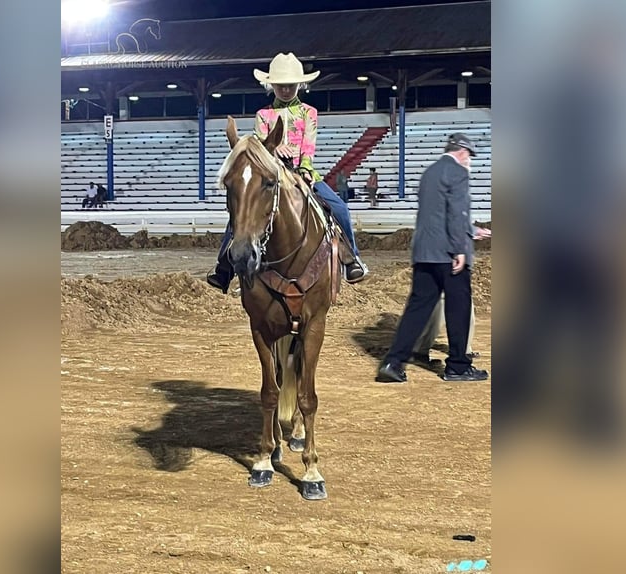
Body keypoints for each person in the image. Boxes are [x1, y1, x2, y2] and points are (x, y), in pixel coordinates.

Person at [207, 53, 368, 293]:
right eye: (280, 85)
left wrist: (304, 168)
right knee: (240, 216)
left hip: (302, 172)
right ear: (271, 85)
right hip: (271, 172)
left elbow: (309, 145)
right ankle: (224, 269)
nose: (285, 90)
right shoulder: (263, 115)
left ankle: (351, 259)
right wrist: (270, 147)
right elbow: (257, 149)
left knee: (339, 208)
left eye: (290, 85)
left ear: (299, 85)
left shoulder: (308, 113)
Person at [376, 133, 489, 383]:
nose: (470, 161)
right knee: (458, 309)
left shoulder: (430, 173)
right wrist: (460, 247)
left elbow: (437, 213)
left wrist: (472, 230)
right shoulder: (458, 173)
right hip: (449, 253)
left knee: (417, 309)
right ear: (461, 152)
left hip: (425, 252)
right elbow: (456, 213)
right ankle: (458, 366)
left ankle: (393, 363)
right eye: (469, 155)